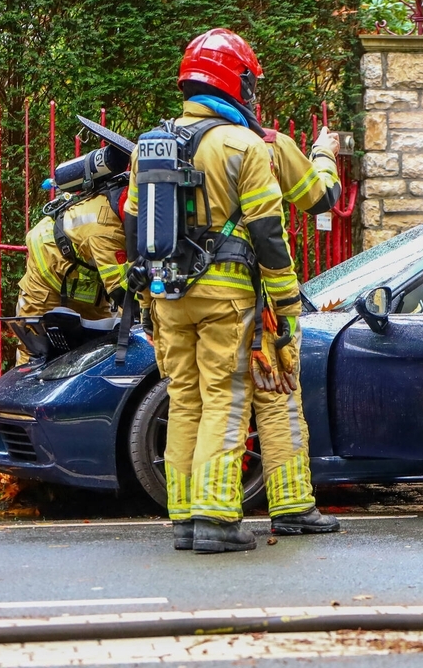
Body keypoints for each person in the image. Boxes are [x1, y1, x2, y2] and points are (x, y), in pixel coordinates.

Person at [123, 28, 308, 553]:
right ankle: (216, 520)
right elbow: (269, 234)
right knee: (226, 399)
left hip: (165, 296)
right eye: (249, 82)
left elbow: (134, 226)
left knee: (184, 401)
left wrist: (145, 301)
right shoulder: (243, 145)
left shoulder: (149, 144)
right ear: (234, 82)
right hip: (225, 297)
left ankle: (183, 517)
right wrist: (287, 304)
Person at [253, 127, 341, 535]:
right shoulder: (268, 145)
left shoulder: (170, 147)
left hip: (181, 304)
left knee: (201, 408)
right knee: (278, 399)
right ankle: (291, 508)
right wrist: (323, 152)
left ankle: (199, 517)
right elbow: (322, 197)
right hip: (253, 307)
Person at [15, 190, 128, 363]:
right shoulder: (106, 228)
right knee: (35, 352)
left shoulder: (124, 214)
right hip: (46, 274)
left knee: (97, 353)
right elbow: (120, 289)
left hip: (86, 283)